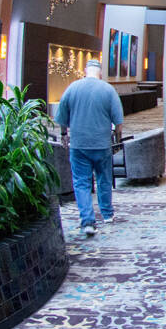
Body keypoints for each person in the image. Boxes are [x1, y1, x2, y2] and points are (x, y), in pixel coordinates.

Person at [55, 59, 124, 237]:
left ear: (85, 70)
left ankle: (87, 221)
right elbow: (118, 122)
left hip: (79, 145)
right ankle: (107, 214)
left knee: (81, 182)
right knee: (104, 179)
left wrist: (64, 135)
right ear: (100, 72)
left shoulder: (72, 88)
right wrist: (117, 139)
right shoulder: (108, 90)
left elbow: (62, 117)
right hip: (102, 144)